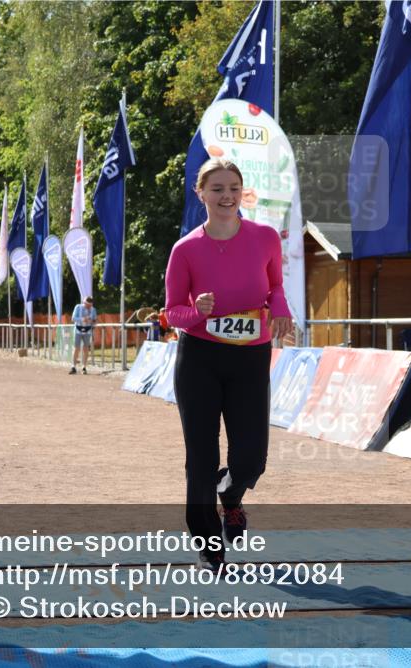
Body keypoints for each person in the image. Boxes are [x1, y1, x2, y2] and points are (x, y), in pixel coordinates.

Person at [164, 158, 292, 570]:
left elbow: (275, 288)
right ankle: (207, 538)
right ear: (200, 194)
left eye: (233, 188)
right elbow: (172, 314)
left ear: (242, 193)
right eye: (217, 188)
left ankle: (231, 497)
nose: (226, 196)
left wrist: (282, 310)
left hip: (251, 356)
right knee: (200, 458)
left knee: (251, 458)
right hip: (199, 358)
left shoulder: (266, 238)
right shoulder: (185, 250)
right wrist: (197, 311)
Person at [70, 296, 97, 374]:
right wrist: (83, 319)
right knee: (76, 348)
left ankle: (84, 367)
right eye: (87, 305)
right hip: (78, 329)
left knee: (86, 348)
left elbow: (95, 320)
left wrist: (92, 321)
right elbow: (73, 318)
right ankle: (73, 366)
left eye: (90, 305)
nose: (88, 307)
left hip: (88, 330)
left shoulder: (93, 310)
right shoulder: (78, 307)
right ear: (84, 302)